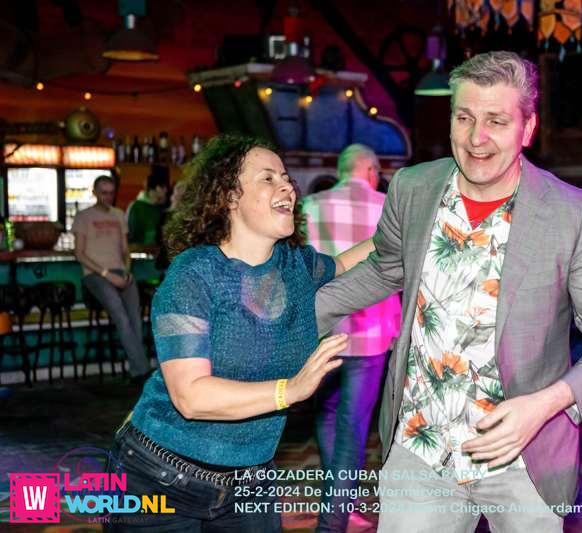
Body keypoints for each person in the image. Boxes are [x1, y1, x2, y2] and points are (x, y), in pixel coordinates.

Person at [316, 51, 582, 532]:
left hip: (525, 456)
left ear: (528, 129)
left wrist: (546, 404)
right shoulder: (412, 187)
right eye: (464, 117)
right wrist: (298, 316)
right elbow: (385, 268)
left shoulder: (573, 215)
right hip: (420, 444)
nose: (476, 138)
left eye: (497, 121)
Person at [106, 135, 373, 531]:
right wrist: (290, 390)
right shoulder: (194, 274)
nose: (287, 187)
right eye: (268, 178)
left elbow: (347, 263)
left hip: (251, 480)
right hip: (158, 477)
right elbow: (191, 397)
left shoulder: (296, 265)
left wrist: (408, 226)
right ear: (230, 196)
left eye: (286, 178)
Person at [302, 144, 401, 532]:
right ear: (372, 171)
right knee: (352, 430)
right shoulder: (388, 207)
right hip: (370, 335)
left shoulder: (311, 206)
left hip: (323, 332)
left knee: (327, 416)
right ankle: (333, 521)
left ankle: (340, 505)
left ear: (342, 169)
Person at [73, 175, 151, 382]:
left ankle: (138, 371)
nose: (108, 197)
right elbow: (79, 254)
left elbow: (125, 250)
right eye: (103, 193)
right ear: (94, 192)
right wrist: (107, 275)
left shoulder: (119, 214)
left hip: (120, 273)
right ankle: (144, 371)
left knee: (135, 319)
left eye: (111, 193)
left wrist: (127, 270)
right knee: (121, 315)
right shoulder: (83, 216)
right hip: (95, 275)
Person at [127, 165, 169, 246]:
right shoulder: (136, 207)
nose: (166, 191)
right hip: (141, 250)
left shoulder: (160, 207)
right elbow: (132, 234)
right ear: (157, 188)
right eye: (164, 187)